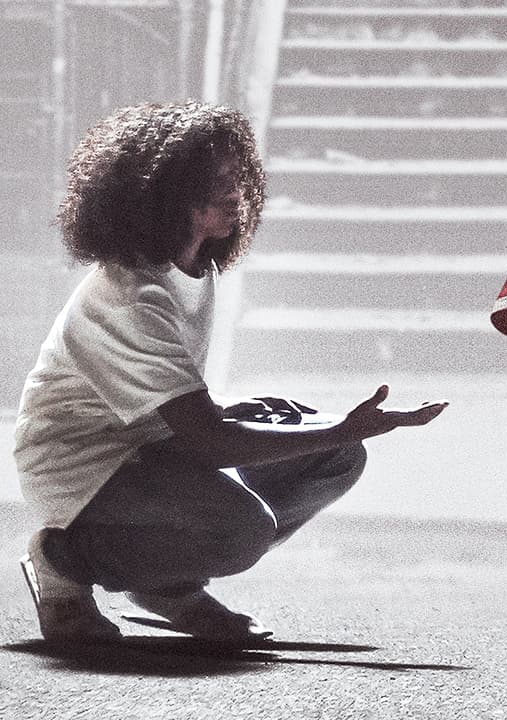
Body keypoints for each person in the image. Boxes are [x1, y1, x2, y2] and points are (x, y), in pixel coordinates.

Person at [14, 101, 448, 644]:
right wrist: (342, 425)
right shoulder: (131, 298)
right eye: (215, 183)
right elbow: (211, 443)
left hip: (147, 445)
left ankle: (165, 584)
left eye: (238, 177)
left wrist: (322, 430)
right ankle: (64, 562)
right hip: (84, 466)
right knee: (243, 529)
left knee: (336, 457)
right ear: (162, 195)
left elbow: (180, 410)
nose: (236, 192)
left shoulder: (194, 267)